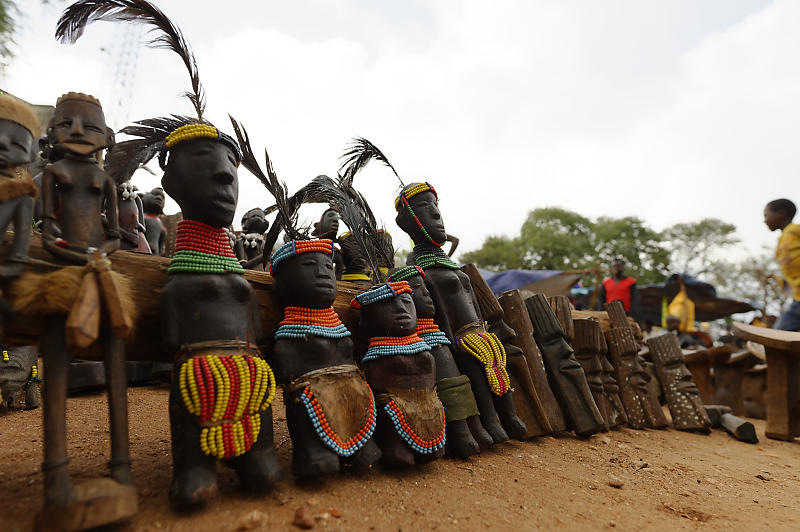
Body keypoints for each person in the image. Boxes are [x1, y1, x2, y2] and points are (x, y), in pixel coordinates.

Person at [764, 198, 800, 331]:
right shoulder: (781, 241)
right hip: (798, 297)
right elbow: (791, 274)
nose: (765, 220)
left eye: (766, 215)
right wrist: (775, 278)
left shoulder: (795, 230)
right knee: (780, 332)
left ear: (781, 213)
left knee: (778, 334)